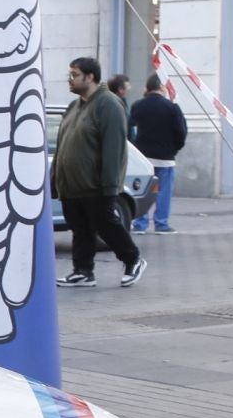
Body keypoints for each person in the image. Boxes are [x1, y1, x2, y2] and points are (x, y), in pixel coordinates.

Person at [53, 55, 145, 288]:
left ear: (90, 76)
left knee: (106, 225)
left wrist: (109, 185)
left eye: (74, 75)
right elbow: (63, 142)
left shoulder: (109, 104)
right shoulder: (74, 106)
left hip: (94, 183)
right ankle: (83, 271)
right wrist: (56, 179)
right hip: (72, 184)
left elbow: (114, 148)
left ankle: (133, 259)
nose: (69, 80)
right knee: (80, 229)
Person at [127, 73, 188, 234]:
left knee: (143, 190)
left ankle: (140, 223)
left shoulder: (138, 106)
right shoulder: (172, 107)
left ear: (148, 87)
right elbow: (181, 132)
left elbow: (129, 128)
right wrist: (175, 149)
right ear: (162, 87)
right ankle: (161, 223)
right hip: (165, 157)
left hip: (143, 157)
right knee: (164, 192)